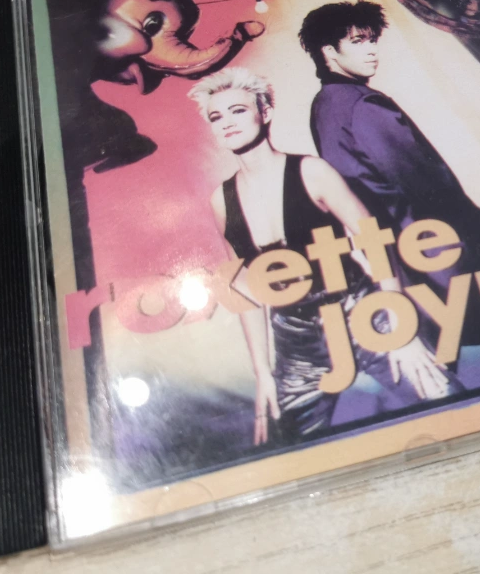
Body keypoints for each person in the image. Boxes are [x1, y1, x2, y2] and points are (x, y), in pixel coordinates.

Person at [301, 1, 480, 376]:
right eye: (358, 41)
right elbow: (424, 184)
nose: (371, 50)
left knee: (451, 356)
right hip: (445, 247)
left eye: (372, 40)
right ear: (329, 51)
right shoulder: (364, 105)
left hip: (403, 255)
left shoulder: (323, 107)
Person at [188, 68, 455, 446]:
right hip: (296, 339)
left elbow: (374, 242)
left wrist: (401, 326)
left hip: (362, 313)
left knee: (447, 400)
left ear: (265, 112)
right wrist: (263, 373)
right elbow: (244, 292)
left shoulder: (312, 172)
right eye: (216, 117)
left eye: (238, 110)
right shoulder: (220, 200)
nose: (227, 123)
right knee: (282, 445)